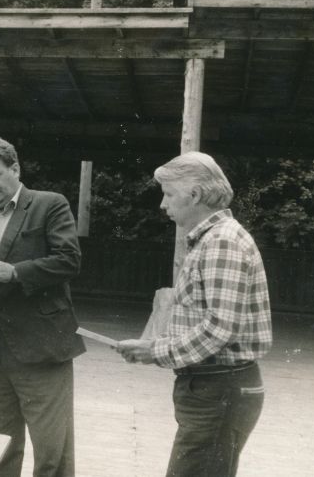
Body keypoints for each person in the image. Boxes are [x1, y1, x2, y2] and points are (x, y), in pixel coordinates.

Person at [116, 151, 272, 477]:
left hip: (219, 390)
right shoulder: (212, 239)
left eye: (168, 194)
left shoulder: (222, 241)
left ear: (195, 194)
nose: (163, 205)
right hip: (211, 388)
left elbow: (219, 328)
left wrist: (155, 350)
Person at [0, 136, 85, 477]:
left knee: (52, 456)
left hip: (42, 348)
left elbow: (69, 260)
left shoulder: (49, 204)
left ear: (15, 169)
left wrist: (14, 272)